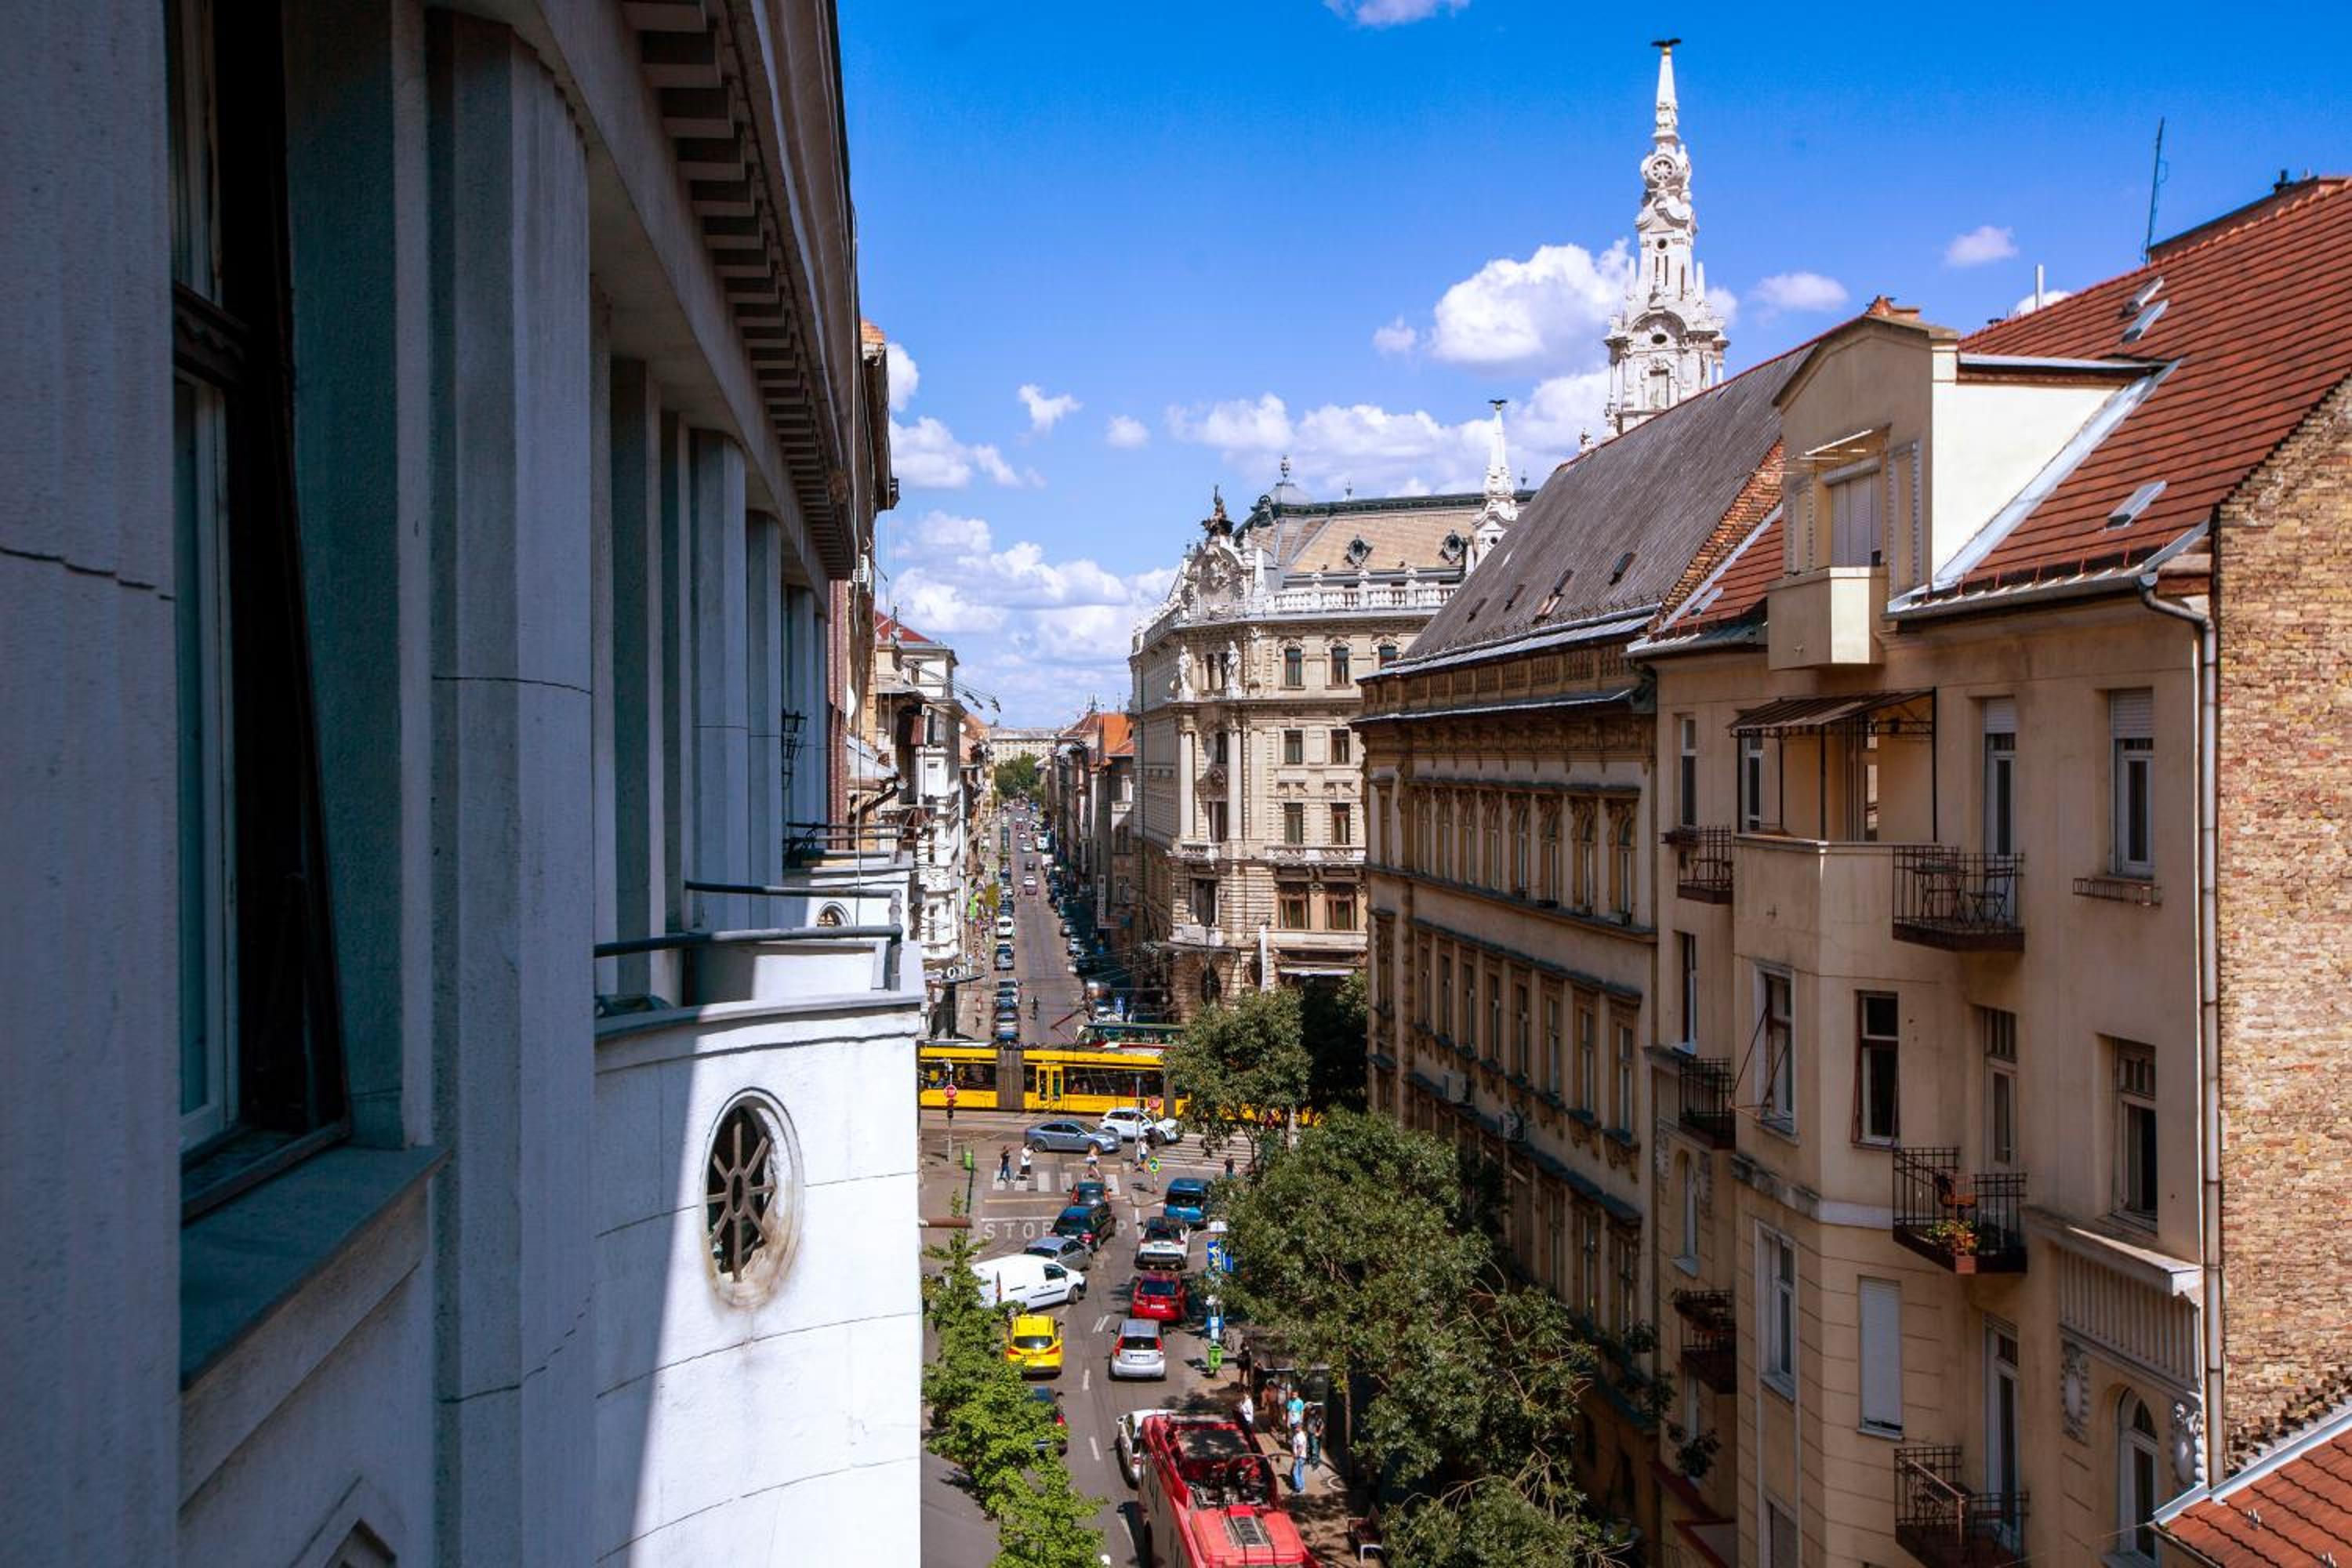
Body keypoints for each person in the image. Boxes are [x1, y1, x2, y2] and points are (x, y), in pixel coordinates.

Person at [1289, 1425, 1308, 1494]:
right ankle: (1302, 1488)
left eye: (1295, 1427)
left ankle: (1298, 1489)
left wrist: (1296, 1456)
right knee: (1300, 1472)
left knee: (1295, 1473)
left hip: (1299, 1457)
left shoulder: (1300, 1436)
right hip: (1300, 1456)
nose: (1294, 1429)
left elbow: (1300, 1448)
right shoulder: (1299, 1435)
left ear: (1299, 1428)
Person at [1305, 1403, 1323, 1467]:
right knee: (1308, 1447)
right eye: (1309, 1410)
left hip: (1314, 1435)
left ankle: (1315, 1462)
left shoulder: (1317, 1417)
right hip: (1309, 1433)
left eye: (1311, 1410)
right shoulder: (1309, 1416)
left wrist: (1319, 1433)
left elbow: (1322, 1425)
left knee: (1315, 1449)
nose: (1310, 1411)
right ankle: (1309, 1460)